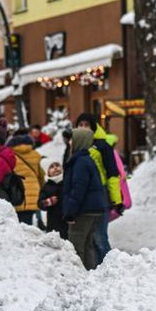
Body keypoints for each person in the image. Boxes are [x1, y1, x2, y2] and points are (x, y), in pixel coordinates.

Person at [74, 113, 123, 264]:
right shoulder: (76, 144)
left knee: (99, 236)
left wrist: (116, 199)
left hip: (100, 196)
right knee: (88, 238)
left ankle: (110, 268)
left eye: (86, 125)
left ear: (93, 127)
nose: (83, 128)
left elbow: (112, 174)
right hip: (83, 196)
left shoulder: (102, 146)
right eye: (80, 125)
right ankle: (96, 269)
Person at [61, 128, 109, 270]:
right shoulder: (87, 159)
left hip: (83, 210)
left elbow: (78, 188)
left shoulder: (80, 162)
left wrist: (70, 211)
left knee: (76, 247)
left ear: (79, 141)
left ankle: (79, 276)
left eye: (72, 139)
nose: (70, 142)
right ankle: (89, 274)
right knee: (88, 246)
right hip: (93, 209)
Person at [7, 128, 45, 225]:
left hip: (17, 194)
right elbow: (41, 176)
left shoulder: (9, 156)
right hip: (33, 194)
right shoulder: (36, 155)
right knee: (29, 226)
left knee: (18, 226)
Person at [38, 161, 68, 240]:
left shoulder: (67, 182)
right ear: (48, 172)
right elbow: (40, 204)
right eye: (52, 167)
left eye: (57, 165)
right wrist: (47, 202)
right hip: (53, 222)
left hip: (67, 221)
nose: (55, 168)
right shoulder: (46, 186)